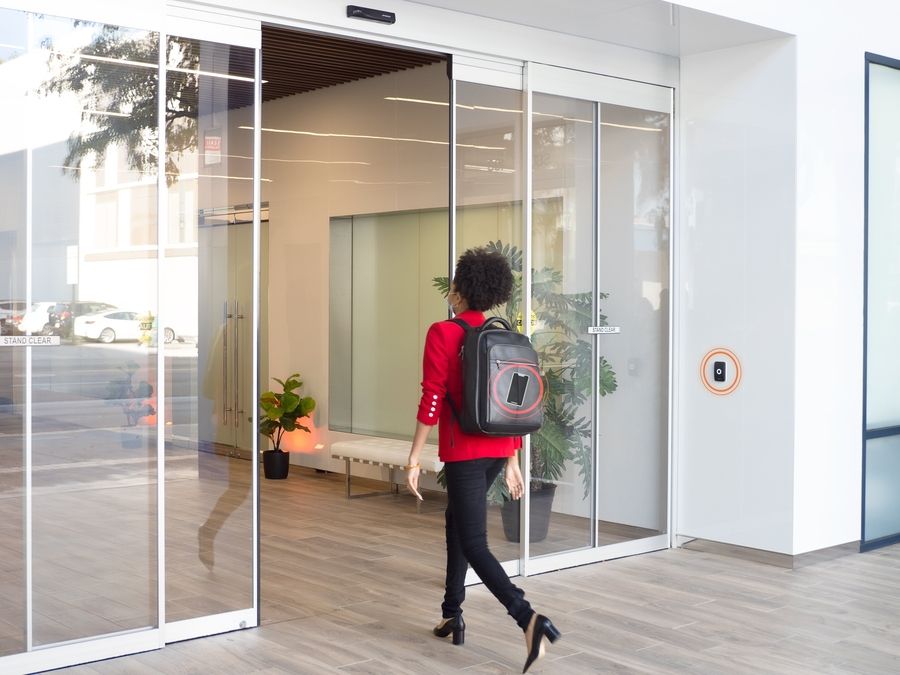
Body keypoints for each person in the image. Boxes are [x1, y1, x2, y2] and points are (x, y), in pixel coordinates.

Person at [406, 247, 561, 673]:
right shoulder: (507, 337)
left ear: (458, 290)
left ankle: (527, 618)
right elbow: (513, 402)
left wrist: (415, 456)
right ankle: (451, 613)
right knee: (456, 525)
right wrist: (511, 458)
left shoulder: (443, 332)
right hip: (495, 449)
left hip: (464, 453)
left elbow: (432, 397)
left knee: (473, 541)